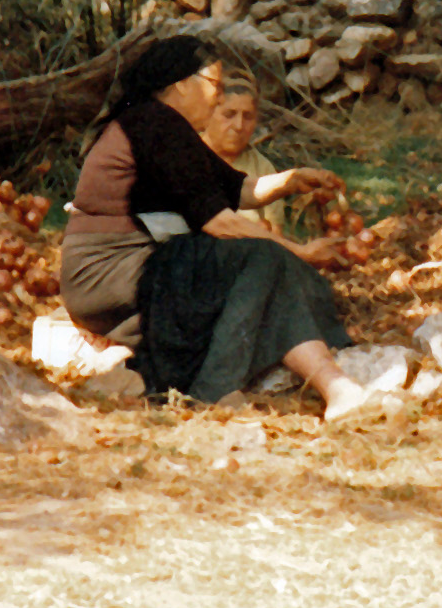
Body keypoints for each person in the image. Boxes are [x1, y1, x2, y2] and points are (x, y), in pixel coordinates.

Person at [59, 37, 375, 420]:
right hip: (107, 273)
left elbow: (237, 190)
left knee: (267, 270)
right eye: (216, 87)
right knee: (263, 259)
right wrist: (300, 250)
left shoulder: (164, 126)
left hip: (133, 270)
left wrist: (291, 181)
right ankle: (214, 389)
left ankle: (335, 386)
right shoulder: (154, 125)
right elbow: (221, 222)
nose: (217, 98)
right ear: (181, 84)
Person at [200, 72, 285, 231]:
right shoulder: (186, 153)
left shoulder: (263, 170)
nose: (239, 125)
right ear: (209, 113)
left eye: (247, 117)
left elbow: (276, 237)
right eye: (229, 114)